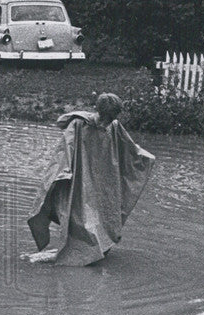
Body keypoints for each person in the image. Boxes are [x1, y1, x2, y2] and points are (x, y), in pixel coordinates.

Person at [27, 93, 155, 266]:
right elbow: (64, 152)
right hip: (79, 180)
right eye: (105, 117)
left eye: (110, 118)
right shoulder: (79, 124)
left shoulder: (114, 126)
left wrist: (145, 158)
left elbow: (130, 149)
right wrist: (63, 174)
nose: (106, 122)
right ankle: (75, 252)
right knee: (79, 217)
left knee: (107, 215)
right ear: (97, 110)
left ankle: (97, 249)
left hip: (104, 180)